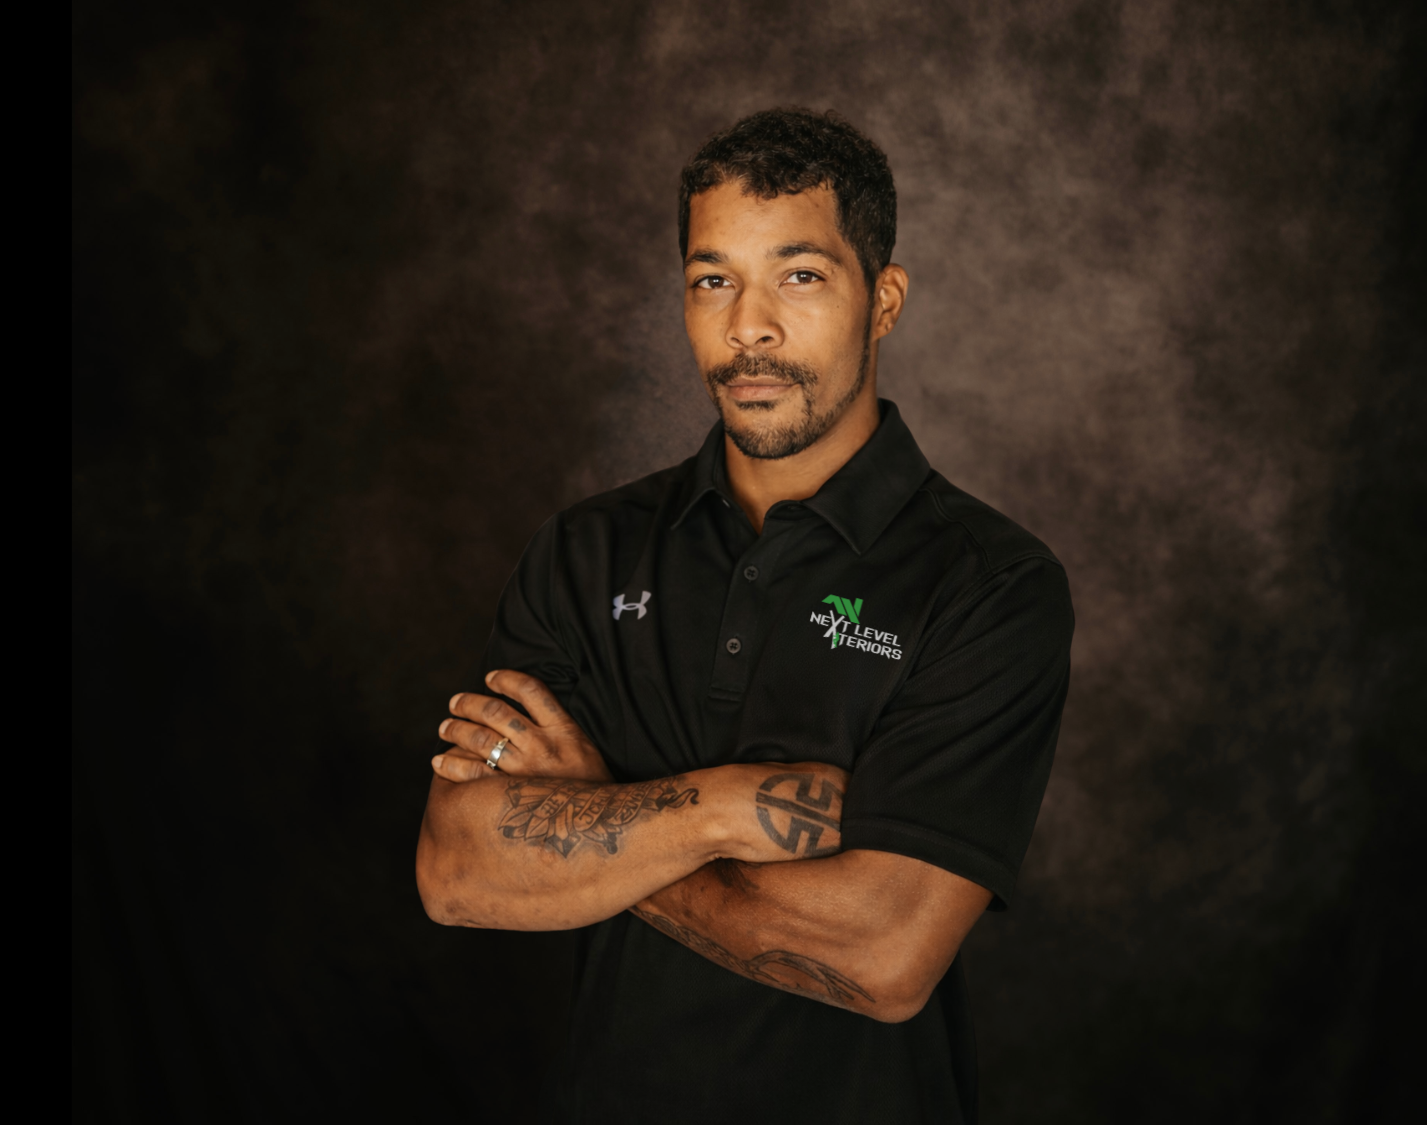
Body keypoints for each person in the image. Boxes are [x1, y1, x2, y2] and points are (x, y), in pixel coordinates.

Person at [414, 107, 1073, 1124]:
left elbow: (884, 957)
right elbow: (458, 871)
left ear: (883, 300)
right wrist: (723, 811)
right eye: (712, 280)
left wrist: (594, 815)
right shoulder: (586, 551)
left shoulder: (989, 583)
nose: (748, 327)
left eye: (798, 276)